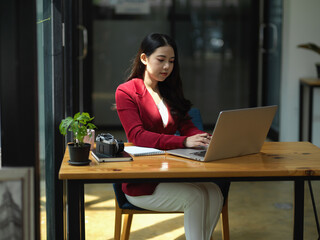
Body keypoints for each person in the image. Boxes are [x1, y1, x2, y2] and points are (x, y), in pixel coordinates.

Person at [115, 33, 223, 240]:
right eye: (161, 60)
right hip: (142, 182)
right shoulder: (126, 92)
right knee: (196, 196)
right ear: (144, 59)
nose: (167, 67)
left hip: (169, 173)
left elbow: (187, 125)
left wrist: (203, 138)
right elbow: (137, 135)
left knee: (214, 192)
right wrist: (183, 141)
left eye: (171, 61)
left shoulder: (169, 90)